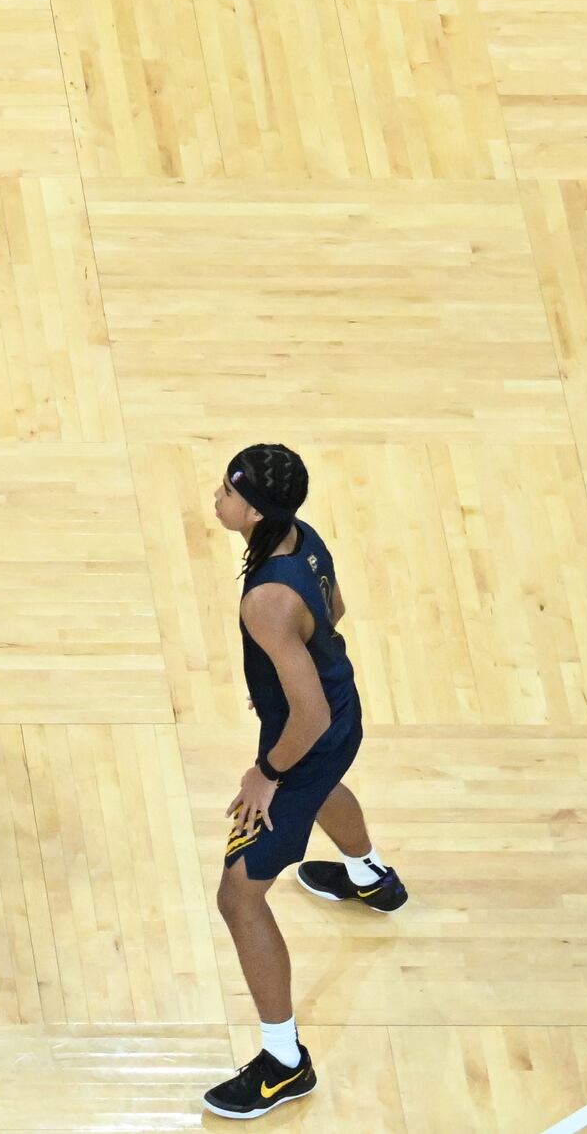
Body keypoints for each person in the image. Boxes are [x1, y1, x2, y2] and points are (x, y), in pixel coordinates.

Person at [200, 443, 404, 1122]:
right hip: (339, 711)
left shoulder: (265, 599)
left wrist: (267, 772)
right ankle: (371, 876)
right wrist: (294, 669)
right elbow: (335, 609)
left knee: (238, 895)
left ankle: (284, 1063)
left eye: (227, 490)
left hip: (308, 736)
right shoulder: (301, 537)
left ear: (252, 508)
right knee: (323, 789)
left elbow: (306, 717)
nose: (218, 498)